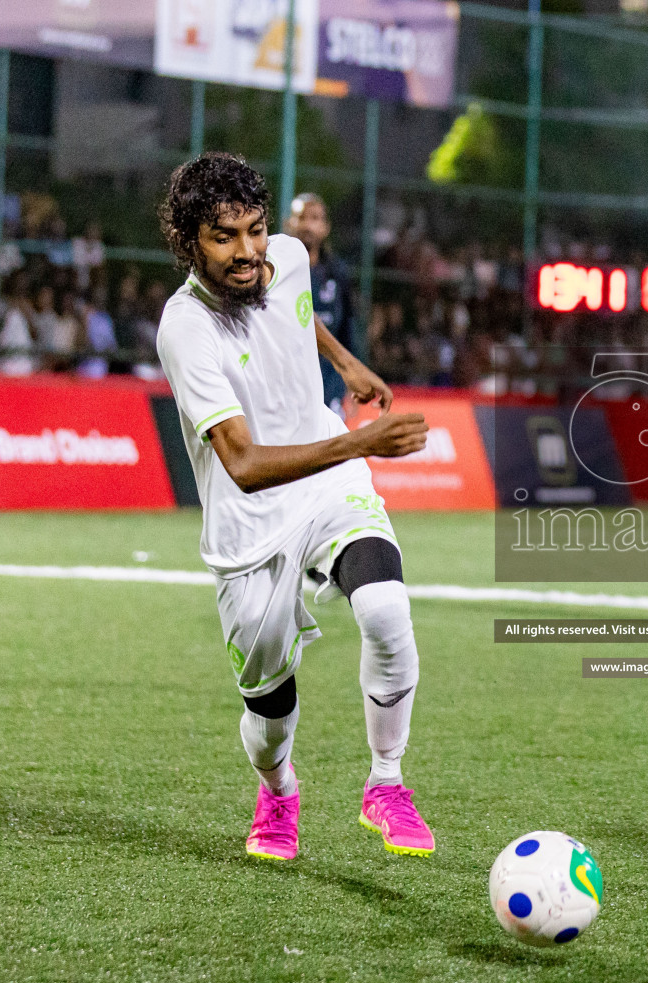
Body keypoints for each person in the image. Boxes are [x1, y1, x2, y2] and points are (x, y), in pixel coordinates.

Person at [154, 153, 434, 864]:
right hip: (248, 525)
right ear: (189, 242)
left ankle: (387, 784)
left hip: (326, 480)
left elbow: (293, 310)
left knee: (385, 611)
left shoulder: (287, 256)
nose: (248, 252)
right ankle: (278, 790)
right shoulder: (186, 330)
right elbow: (243, 465)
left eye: (255, 229)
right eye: (225, 238)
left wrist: (344, 363)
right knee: (268, 711)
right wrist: (366, 440)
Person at [285, 192, 356, 414]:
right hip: (287, 382)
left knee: (334, 444)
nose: (307, 225)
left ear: (325, 227)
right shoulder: (275, 270)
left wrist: (352, 378)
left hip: (328, 380)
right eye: (301, 217)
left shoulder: (338, 272)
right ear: (290, 223)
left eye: (315, 218)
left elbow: (348, 329)